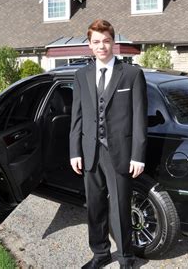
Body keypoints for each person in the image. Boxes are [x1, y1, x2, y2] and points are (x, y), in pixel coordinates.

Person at [69, 19, 147, 269]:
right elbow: (77, 116)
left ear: (113, 42)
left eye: (105, 41)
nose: (101, 46)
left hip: (121, 152)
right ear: (89, 46)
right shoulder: (81, 75)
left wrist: (138, 155)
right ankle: (100, 254)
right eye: (96, 42)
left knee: (120, 207)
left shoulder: (132, 74)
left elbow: (139, 117)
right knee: (95, 207)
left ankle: (126, 258)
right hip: (90, 151)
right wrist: (75, 151)